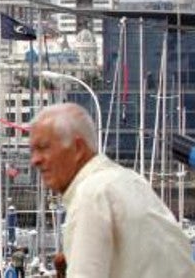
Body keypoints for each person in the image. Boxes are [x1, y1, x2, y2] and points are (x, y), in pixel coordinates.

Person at [29, 103, 195, 277]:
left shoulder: (92, 194)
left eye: (43, 147)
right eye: (32, 151)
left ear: (77, 148)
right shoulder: (132, 182)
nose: (35, 160)